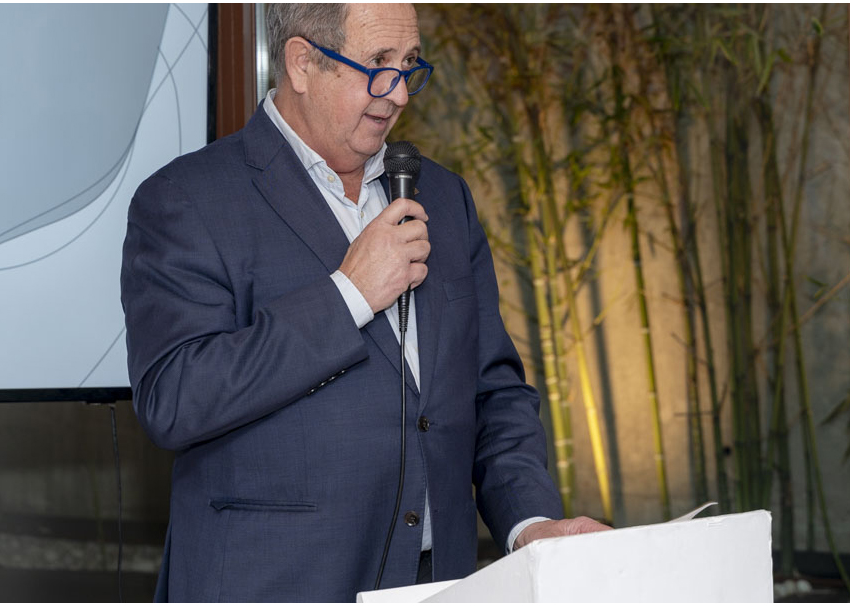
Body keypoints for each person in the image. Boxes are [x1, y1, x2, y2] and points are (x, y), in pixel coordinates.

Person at [121, 3, 609, 602]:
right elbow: (175, 398)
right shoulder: (187, 198)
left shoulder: (444, 196)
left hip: (439, 582)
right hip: (276, 584)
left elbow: (493, 393)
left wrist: (529, 523)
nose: (399, 93)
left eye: (409, 65)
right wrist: (349, 294)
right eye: (378, 64)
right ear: (302, 63)